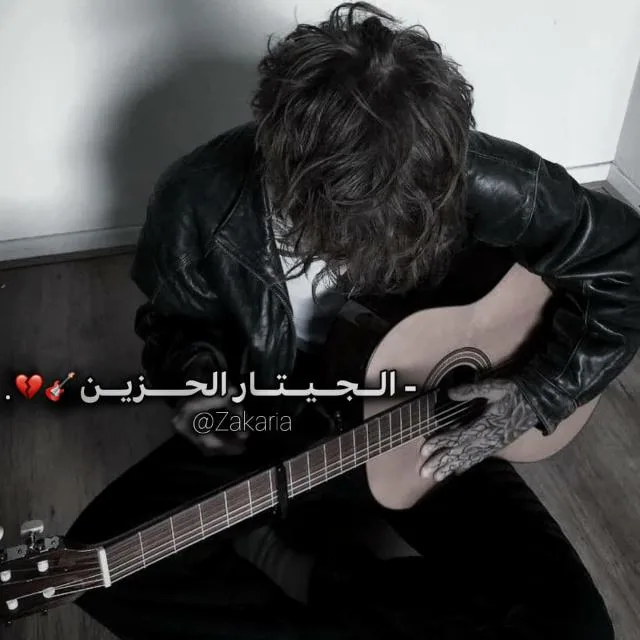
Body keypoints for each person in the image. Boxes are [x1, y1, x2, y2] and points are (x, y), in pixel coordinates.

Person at [67, 2, 640, 637]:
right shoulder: (195, 199)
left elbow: (626, 261)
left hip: (427, 414)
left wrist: (540, 391)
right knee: (97, 566)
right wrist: (199, 381)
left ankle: (314, 578)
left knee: (576, 626)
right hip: (278, 417)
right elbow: (174, 328)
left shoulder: (461, 172)